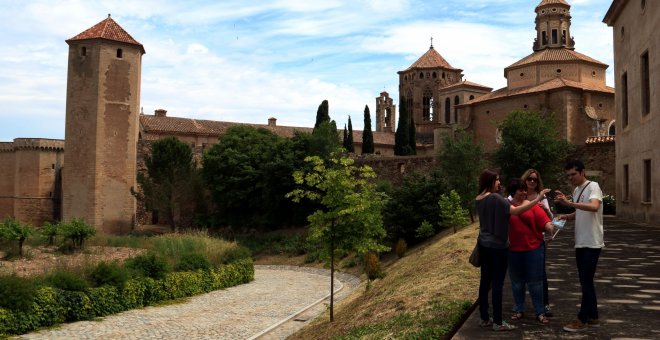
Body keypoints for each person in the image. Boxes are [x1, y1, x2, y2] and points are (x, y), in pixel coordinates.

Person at [475, 170, 550, 331]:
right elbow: (515, 211)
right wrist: (537, 199)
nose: (499, 183)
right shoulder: (495, 197)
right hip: (498, 247)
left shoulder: (479, 198)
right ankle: (498, 322)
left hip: (484, 244)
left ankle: (484, 318)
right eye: (497, 180)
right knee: (497, 284)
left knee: (484, 282)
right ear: (490, 182)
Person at [554, 160, 604, 332]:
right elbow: (581, 210)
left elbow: (594, 206)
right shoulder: (576, 190)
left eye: (573, 174)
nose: (570, 178)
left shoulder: (593, 186)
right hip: (580, 242)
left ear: (582, 172)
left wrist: (569, 204)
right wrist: (567, 216)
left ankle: (582, 319)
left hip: (592, 242)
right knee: (586, 281)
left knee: (585, 282)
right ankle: (594, 316)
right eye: (568, 175)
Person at [507, 178, 555, 325]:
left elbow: (546, 222)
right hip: (513, 250)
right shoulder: (507, 206)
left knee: (535, 282)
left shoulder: (533, 206)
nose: (523, 192)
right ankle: (519, 309)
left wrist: (550, 228)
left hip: (533, 249)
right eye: (520, 189)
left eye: (524, 189)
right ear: (513, 192)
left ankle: (540, 312)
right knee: (517, 283)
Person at [521, 169, 553, 317]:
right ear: (525, 180)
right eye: (529, 179)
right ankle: (519, 306)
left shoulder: (542, 196)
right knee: (520, 275)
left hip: (537, 239)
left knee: (541, 274)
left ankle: (545, 304)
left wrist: (545, 209)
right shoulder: (518, 194)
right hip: (520, 240)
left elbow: (550, 218)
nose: (532, 181)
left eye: (534, 179)